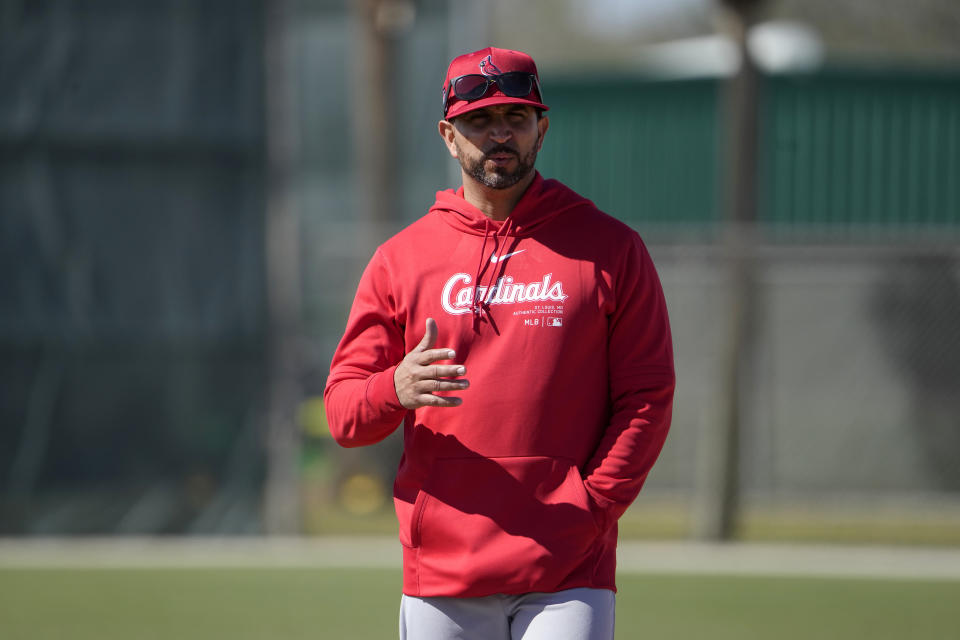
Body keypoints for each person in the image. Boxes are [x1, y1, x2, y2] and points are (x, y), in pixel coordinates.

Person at [324, 46, 675, 640]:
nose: (499, 134)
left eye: (515, 117)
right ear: (448, 135)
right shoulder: (400, 260)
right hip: (442, 570)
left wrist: (591, 509)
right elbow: (343, 414)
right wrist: (396, 387)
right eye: (479, 121)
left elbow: (647, 397)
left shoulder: (611, 249)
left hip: (570, 567)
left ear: (542, 126)